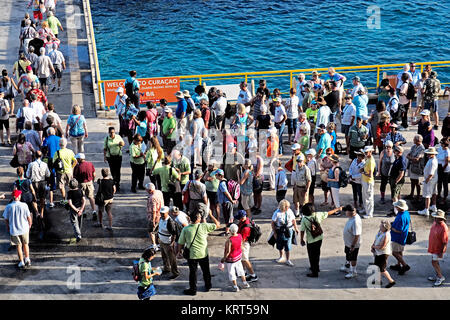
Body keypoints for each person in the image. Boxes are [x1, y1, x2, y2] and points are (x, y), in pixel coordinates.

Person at [177, 209, 220, 296]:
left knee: (193, 273)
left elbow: (180, 242)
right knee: (206, 271)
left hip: (192, 255)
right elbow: (218, 225)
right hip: (203, 253)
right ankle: (208, 286)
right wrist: (211, 215)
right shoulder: (204, 226)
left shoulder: (186, 229)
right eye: (200, 217)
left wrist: (179, 252)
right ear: (197, 219)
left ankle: (193, 290)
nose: (201, 218)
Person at [300, 203, 342, 277]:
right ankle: (316, 267)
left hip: (311, 240)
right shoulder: (318, 214)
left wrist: (301, 239)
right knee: (317, 254)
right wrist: (338, 209)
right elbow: (328, 213)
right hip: (319, 237)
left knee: (312, 256)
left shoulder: (304, 219)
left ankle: (314, 272)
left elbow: (302, 231)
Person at [3, 190, 32, 268]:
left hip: (14, 230)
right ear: (18, 197)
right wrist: (30, 224)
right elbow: (28, 217)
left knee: (18, 246)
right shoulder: (24, 205)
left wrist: (8, 227)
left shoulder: (8, 206)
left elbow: (5, 219)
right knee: (26, 244)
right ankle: (27, 259)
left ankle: (21, 262)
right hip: (24, 228)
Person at [221, 223, 250, 292]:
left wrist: (223, 259)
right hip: (238, 256)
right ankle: (245, 283)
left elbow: (228, 251)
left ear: (230, 231)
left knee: (232, 272)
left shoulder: (229, 240)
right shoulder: (240, 236)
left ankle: (235, 286)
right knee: (240, 270)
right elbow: (240, 244)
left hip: (231, 259)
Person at [271, 200, 299, 267]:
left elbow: (293, 220)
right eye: (287, 206)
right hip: (279, 230)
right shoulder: (277, 213)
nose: (288, 207)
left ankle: (288, 259)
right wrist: (274, 233)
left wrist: (296, 228)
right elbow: (273, 223)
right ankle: (281, 257)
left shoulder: (289, 211)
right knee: (280, 244)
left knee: (288, 245)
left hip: (288, 230)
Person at [371, 220, 396, 288]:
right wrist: (373, 246)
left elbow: (382, 246)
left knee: (382, 269)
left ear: (385, 227)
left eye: (381, 225)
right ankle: (378, 281)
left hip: (383, 254)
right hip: (378, 253)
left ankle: (391, 281)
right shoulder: (380, 232)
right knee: (377, 267)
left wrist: (374, 247)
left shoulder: (386, 235)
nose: (380, 226)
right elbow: (376, 239)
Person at [26, 150, 50, 221]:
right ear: (41, 156)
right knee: (42, 198)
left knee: (34, 198)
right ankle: (42, 213)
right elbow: (48, 174)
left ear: (34, 156)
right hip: (42, 183)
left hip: (34, 183)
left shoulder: (31, 164)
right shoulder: (45, 164)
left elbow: (27, 175)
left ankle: (36, 212)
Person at [158, 206, 180, 280]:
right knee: (164, 256)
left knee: (172, 259)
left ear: (167, 213)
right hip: (161, 241)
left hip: (168, 243)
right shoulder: (161, 219)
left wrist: (172, 244)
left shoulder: (170, 222)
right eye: (161, 213)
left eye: (163, 214)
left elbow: (174, 234)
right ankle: (166, 268)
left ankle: (175, 272)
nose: (162, 215)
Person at [340, 204, 362, 279]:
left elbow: (357, 235)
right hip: (348, 242)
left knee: (353, 258)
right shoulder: (352, 217)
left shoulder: (355, 221)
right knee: (347, 254)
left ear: (350, 212)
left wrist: (353, 246)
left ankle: (353, 272)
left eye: (346, 211)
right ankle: (347, 267)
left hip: (353, 244)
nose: (345, 212)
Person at [389, 200, 411, 275]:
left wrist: (390, 227)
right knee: (400, 251)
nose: (395, 207)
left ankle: (404, 265)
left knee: (394, 252)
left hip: (397, 237)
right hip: (403, 237)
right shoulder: (406, 213)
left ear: (399, 207)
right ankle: (398, 265)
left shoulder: (401, 217)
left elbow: (399, 230)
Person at [427, 209, 448, 287]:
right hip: (433, 246)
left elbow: (445, 241)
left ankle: (440, 277)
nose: (434, 218)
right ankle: (438, 274)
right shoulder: (435, 223)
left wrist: (442, 251)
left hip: (437, 248)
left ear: (441, 218)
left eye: (436, 217)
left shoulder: (444, 228)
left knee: (434, 262)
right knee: (435, 262)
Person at [52, 137, 76, 202]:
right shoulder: (70, 152)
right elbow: (75, 161)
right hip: (69, 171)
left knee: (61, 186)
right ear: (66, 144)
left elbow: (53, 162)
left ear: (59, 144)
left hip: (60, 172)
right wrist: (71, 167)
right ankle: (71, 198)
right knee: (70, 185)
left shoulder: (57, 153)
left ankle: (64, 199)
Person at [73, 153, 96, 220]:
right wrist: (92, 181)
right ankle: (94, 211)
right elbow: (94, 174)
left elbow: (74, 177)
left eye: (77, 159)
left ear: (80, 159)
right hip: (89, 183)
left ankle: (84, 212)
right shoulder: (90, 164)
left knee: (82, 198)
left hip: (81, 184)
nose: (76, 160)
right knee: (91, 197)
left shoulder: (77, 166)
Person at [215, 169, 237, 236]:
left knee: (227, 217)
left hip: (226, 203)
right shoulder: (225, 180)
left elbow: (226, 193)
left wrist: (231, 200)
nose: (215, 176)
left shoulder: (222, 184)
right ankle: (229, 228)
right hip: (227, 202)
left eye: (216, 175)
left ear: (220, 176)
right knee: (229, 216)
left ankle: (227, 231)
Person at [418, 147, 439, 217]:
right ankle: (433, 206)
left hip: (430, 180)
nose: (428, 154)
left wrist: (425, 181)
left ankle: (426, 210)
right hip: (433, 179)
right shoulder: (433, 159)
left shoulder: (433, 161)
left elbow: (431, 174)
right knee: (433, 193)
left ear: (433, 154)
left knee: (427, 195)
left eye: (429, 153)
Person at [42, 127, 60, 207]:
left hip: (50, 159)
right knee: (58, 171)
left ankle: (52, 186)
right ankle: (58, 185)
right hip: (58, 159)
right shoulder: (59, 138)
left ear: (48, 133)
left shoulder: (46, 139)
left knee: (51, 173)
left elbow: (44, 148)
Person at [405, 135, 425, 202]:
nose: (413, 140)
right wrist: (412, 158)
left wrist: (410, 158)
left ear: (418, 141)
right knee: (412, 180)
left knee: (417, 182)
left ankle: (418, 196)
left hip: (417, 167)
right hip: (411, 165)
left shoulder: (422, 148)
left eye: (414, 139)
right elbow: (408, 155)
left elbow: (417, 159)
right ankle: (412, 194)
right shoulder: (414, 146)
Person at [103, 127, 124, 192]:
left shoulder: (118, 137)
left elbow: (123, 143)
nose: (112, 134)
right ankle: (115, 182)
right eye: (111, 132)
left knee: (118, 171)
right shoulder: (106, 139)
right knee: (112, 171)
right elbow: (105, 148)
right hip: (110, 157)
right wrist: (105, 157)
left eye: (113, 132)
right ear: (109, 132)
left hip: (118, 156)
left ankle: (117, 184)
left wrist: (121, 144)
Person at [145, 182, 164, 248]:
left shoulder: (152, 198)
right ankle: (158, 244)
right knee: (158, 230)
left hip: (155, 217)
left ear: (150, 190)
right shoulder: (159, 192)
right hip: (161, 215)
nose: (145, 191)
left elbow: (154, 210)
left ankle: (154, 245)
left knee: (151, 231)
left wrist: (152, 220)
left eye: (146, 189)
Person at [361, 146, 375, 219]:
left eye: (366, 152)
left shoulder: (370, 161)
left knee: (369, 198)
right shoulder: (368, 159)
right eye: (365, 152)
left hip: (368, 182)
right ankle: (366, 209)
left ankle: (369, 213)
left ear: (370, 152)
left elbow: (370, 175)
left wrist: (362, 172)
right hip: (365, 181)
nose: (365, 154)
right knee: (365, 197)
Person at [436, 137, 450, 204]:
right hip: (439, 166)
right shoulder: (440, 149)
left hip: (444, 168)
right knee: (439, 182)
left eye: (441, 143)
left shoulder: (447, 150)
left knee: (445, 184)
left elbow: (447, 161)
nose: (440, 144)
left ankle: (444, 197)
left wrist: (443, 169)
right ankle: (438, 194)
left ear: (444, 144)